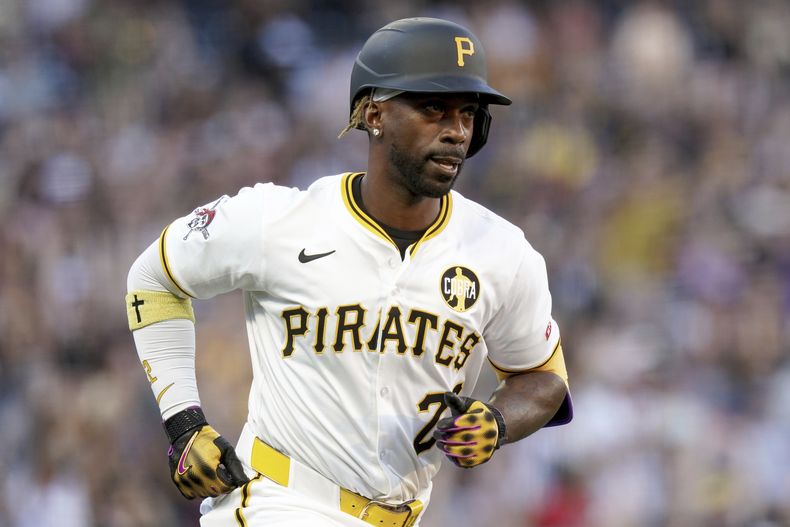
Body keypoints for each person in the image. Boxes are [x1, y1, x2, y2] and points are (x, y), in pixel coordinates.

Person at [126, 17, 572, 527]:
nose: (456, 130)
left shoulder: (502, 251)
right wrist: (184, 424)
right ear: (374, 112)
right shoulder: (279, 219)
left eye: (468, 113)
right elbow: (153, 279)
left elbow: (542, 378)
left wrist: (497, 421)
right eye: (434, 108)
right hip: (282, 502)